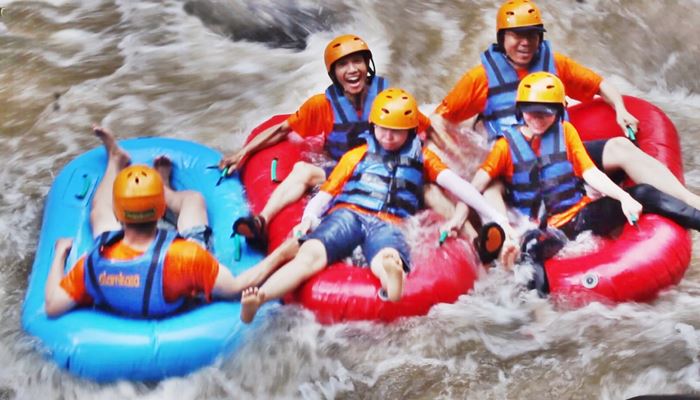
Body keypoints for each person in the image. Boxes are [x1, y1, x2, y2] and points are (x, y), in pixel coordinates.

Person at [239, 88, 518, 323]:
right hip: (348, 213)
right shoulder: (357, 154)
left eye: (396, 132)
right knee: (310, 255)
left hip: (389, 221)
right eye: (383, 129)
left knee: (387, 256)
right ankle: (261, 297)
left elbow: (462, 188)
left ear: (410, 131)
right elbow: (328, 191)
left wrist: (494, 216)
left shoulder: (424, 159)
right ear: (373, 126)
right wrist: (309, 217)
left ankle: (392, 281)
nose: (388, 137)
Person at [430, 0, 700, 214]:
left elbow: (599, 84)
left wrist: (620, 108)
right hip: (513, 163)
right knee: (492, 186)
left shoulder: (554, 64)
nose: (525, 43)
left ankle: (690, 200)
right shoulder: (479, 79)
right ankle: (506, 240)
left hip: (560, 153)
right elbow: (438, 119)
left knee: (621, 146)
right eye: (517, 35)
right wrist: (458, 150)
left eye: (532, 35)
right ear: (502, 37)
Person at [471, 72, 700, 296]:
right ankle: (537, 317)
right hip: (551, 229)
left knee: (643, 192)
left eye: (545, 113)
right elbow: (478, 185)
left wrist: (624, 197)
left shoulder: (567, 132)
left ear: (559, 112)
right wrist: (472, 220)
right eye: (531, 113)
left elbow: (590, 172)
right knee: (531, 246)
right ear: (521, 111)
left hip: (582, 215)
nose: (538, 119)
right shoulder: (505, 147)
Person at [219, 34, 442, 249]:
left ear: (367, 65)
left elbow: (426, 127)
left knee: (429, 190)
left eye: (357, 62)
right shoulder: (321, 106)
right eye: (343, 64)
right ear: (334, 73)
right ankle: (262, 221)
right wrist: (243, 152)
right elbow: (281, 130)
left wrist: (429, 156)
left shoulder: (389, 100)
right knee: (302, 170)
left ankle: (468, 236)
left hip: (389, 172)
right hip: (344, 172)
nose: (352, 69)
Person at [44, 127, 288, 318]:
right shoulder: (188, 256)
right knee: (193, 200)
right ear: (160, 210)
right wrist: (281, 254)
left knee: (98, 212)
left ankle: (115, 162)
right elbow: (235, 287)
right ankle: (165, 189)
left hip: (122, 261)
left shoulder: (92, 263)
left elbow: (53, 305)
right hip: (174, 267)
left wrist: (60, 254)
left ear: (120, 214)